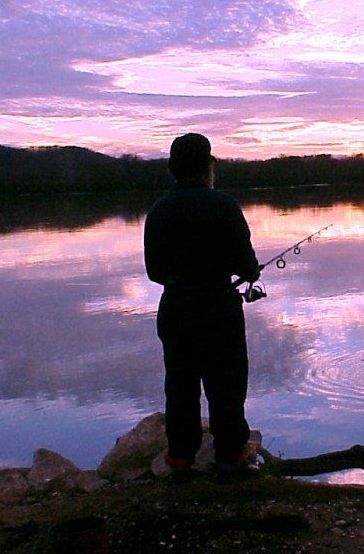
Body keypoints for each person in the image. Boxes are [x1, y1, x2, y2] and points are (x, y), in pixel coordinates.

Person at [143, 132, 261, 476]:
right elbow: (247, 266)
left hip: (175, 309)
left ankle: (180, 458)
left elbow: (154, 272)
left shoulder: (157, 211)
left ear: (172, 170)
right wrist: (247, 271)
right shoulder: (223, 205)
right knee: (227, 385)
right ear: (209, 167)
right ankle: (229, 458)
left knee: (180, 386)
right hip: (218, 309)